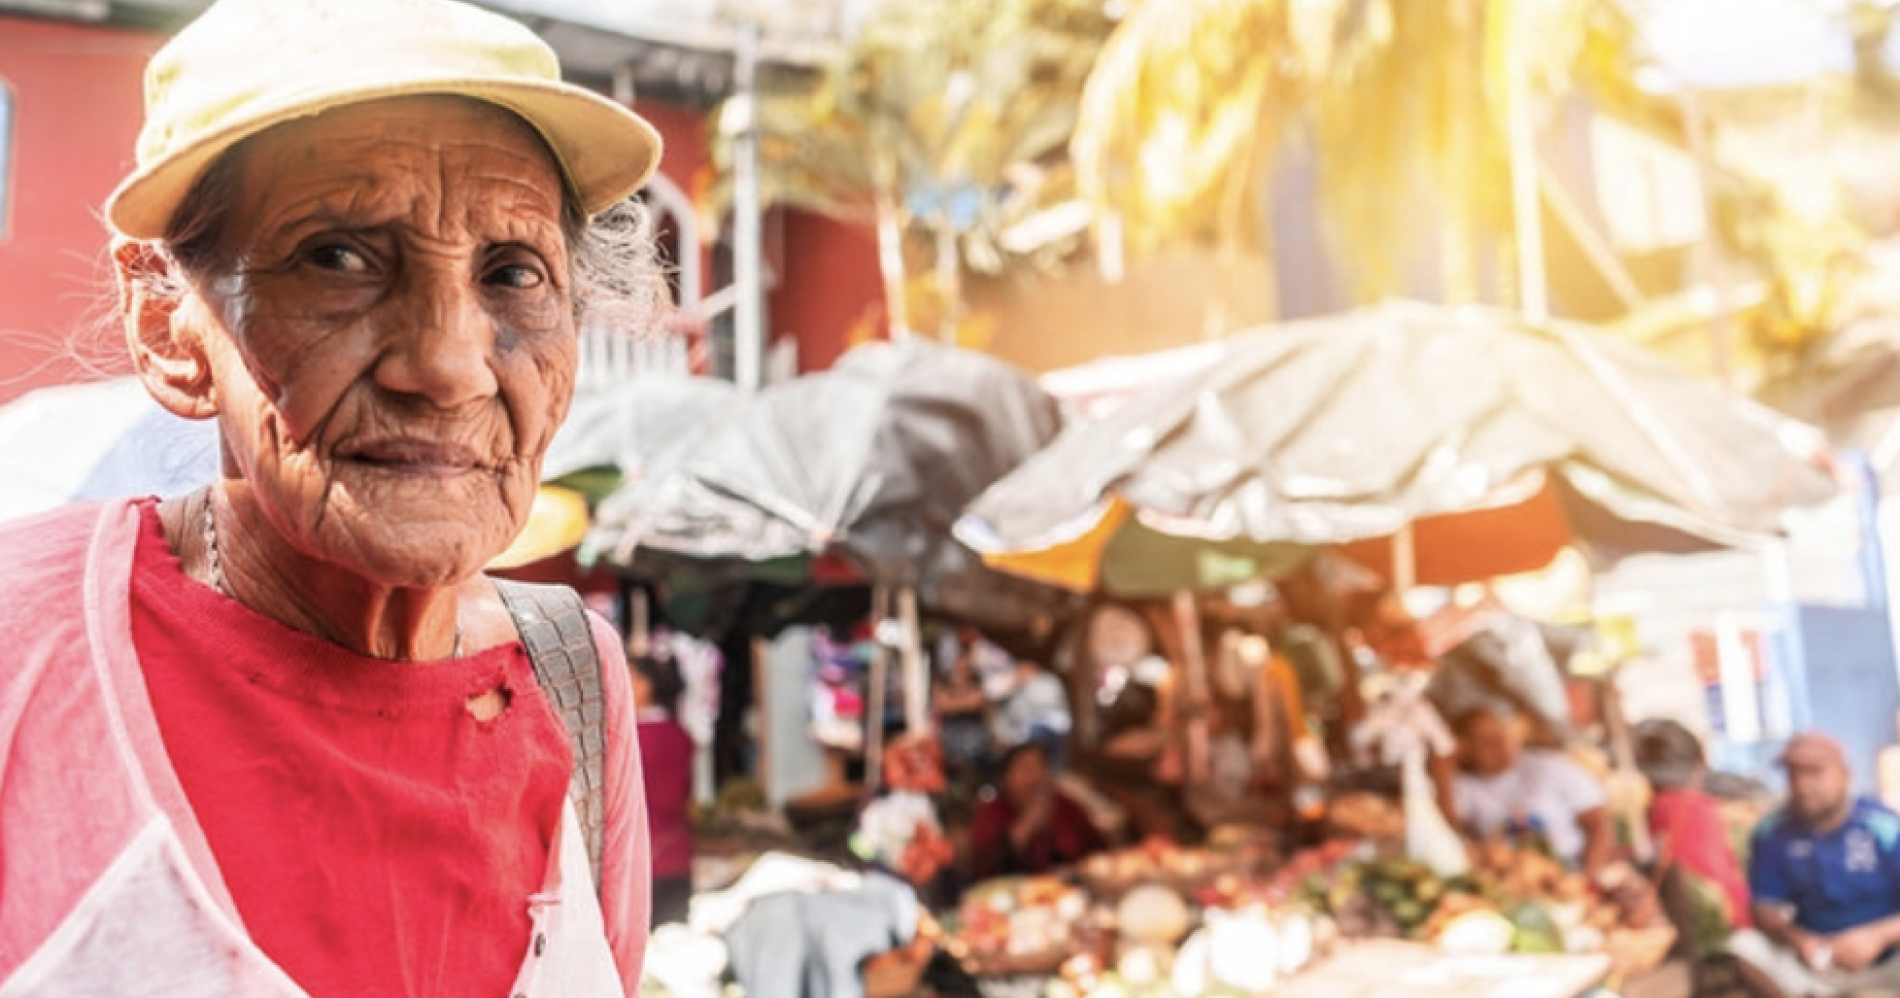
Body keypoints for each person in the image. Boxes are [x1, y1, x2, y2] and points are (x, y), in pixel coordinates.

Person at [0, 0, 668, 993]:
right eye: (338, 257)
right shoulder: (24, 645)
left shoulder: (573, 676)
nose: (447, 365)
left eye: (514, 271)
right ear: (166, 323)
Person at [1729, 733, 1900, 997]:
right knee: (1743, 947)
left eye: (1815, 773)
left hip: (1890, 963)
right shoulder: (1772, 832)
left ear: (1845, 774)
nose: (1802, 786)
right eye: (1793, 774)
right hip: (1817, 967)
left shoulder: (1885, 826)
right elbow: (1764, 909)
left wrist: (1876, 937)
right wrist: (1800, 940)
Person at [1452, 704, 1613, 877]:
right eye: (1484, 740)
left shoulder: (1550, 766)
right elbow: (1454, 829)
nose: (1498, 743)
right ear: (1464, 750)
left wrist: (1588, 878)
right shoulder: (1463, 786)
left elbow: (1598, 824)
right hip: (1513, 886)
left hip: (1573, 870)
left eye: (1500, 733)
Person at [1633, 720, 1751, 936]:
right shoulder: (1693, 803)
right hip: (1725, 917)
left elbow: (1710, 873)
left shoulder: (1671, 805)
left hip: (1717, 925)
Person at [968, 742, 1107, 881]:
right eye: (1026, 769)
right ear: (1005, 780)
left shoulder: (1064, 804)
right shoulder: (992, 814)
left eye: (1042, 766)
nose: (1037, 777)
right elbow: (984, 872)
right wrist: (1025, 828)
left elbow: (1098, 850)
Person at [635, 653, 696, 928]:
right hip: (678, 855)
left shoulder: (631, 738)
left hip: (640, 862)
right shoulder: (680, 734)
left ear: (646, 686)